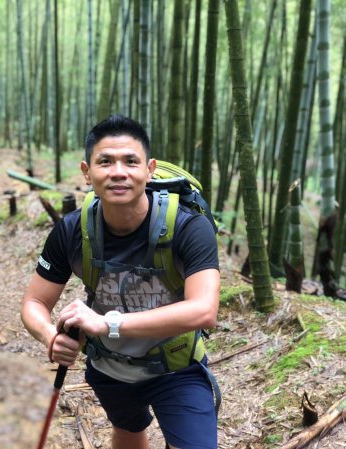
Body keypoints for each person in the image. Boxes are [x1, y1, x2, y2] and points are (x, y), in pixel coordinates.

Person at [21, 114, 220, 449]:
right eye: (105, 161)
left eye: (131, 161)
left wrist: (107, 323)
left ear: (149, 169)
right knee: (128, 430)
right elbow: (34, 303)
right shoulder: (71, 231)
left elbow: (204, 311)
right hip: (109, 369)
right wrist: (49, 336)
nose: (118, 171)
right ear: (87, 172)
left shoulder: (188, 228)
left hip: (176, 368)